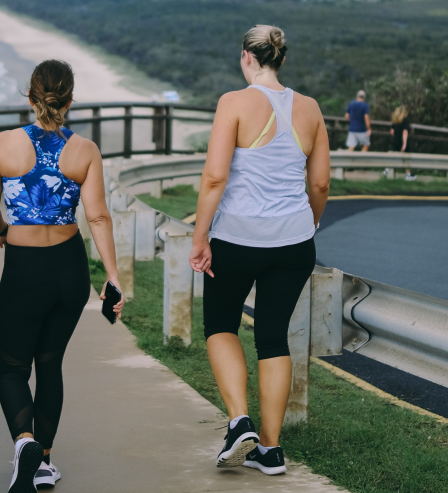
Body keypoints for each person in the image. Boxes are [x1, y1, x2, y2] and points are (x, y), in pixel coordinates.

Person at [189, 25, 330, 476]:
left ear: (247, 58)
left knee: (220, 324)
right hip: (293, 243)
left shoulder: (233, 102)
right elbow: (321, 183)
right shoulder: (309, 109)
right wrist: (309, 223)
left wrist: (200, 236)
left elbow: (214, 178)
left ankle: (239, 422)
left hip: (237, 239)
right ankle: (270, 450)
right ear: (281, 59)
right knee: (272, 337)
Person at [0, 59, 124, 493]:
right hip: (69, 270)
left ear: (30, 96)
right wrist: (113, 278)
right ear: (70, 99)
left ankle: (24, 441)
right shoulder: (85, 150)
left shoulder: (5, 144)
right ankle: (42, 461)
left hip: (24, 271)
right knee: (50, 364)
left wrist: (4, 231)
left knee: (11, 369)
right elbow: (97, 217)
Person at [390, 105, 415, 180]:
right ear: (405, 113)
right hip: (402, 142)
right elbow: (405, 132)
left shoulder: (395, 121)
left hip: (395, 141)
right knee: (406, 159)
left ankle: (387, 170)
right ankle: (408, 174)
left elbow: (392, 131)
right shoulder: (405, 121)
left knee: (393, 157)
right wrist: (404, 143)